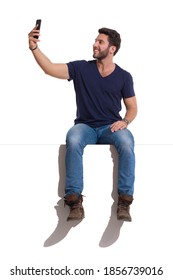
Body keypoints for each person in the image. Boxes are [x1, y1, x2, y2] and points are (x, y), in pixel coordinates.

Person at [28, 25, 137, 222]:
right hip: (85, 126)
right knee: (73, 137)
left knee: (127, 142)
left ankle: (125, 201)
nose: (94, 44)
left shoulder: (124, 76)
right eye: (95, 40)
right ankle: (74, 201)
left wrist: (125, 121)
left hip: (110, 127)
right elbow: (50, 68)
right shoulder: (81, 68)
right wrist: (34, 47)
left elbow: (132, 107)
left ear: (112, 49)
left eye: (100, 42)